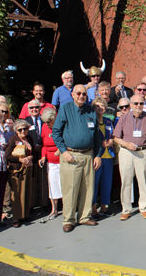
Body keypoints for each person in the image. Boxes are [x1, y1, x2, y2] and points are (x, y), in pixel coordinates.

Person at [52, 84, 102, 233]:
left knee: (87, 187)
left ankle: (84, 217)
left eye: (84, 94)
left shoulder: (90, 111)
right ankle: (68, 219)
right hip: (71, 155)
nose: (81, 96)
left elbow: (97, 135)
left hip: (88, 154)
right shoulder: (65, 109)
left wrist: (98, 155)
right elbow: (56, 132)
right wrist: (63, 151)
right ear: (73, 94)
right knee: (71, 188)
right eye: (78, 93)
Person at [113, 94, 146, 221]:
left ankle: (144, 208)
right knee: (126, 182)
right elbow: (116, 138)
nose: (138, 106)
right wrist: (126, 144)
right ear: (131, 104)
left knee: (143, 181)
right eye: (136, 103)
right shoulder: (124, 118)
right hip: (126, 152)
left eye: (141, 103)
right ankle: (126, 210)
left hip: (143, 152)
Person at [5, 119, 35, 228]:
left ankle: (25, 215)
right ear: (16, 130)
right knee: (17, 194)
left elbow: (35, 153)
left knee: (27, 192)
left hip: (29, 169)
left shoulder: (29, 139)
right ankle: (16, 218)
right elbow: (7, 156)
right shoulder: (13, 139)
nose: (23, 131)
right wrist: (20, 160)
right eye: (20, 129)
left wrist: (31, 156)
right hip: (18, 170)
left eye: (25, 129)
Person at [91, 97, 115, 219]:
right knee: (94, 183)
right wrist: (99, 143)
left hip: (108, 156)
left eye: (103, 106)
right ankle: (93, 208)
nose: (101, 108)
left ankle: (104, 207)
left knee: (107, 183)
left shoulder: (108, 121)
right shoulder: (91, 121)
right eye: (98, 106)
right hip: (97, 157)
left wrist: (111, 141)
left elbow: (113, 135)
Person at [38, 108, 62, 220]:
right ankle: (54, 209)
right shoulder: (44, 127)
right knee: (52, 185)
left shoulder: (61, 125)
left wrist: (61, 149)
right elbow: (44, 145)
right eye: (45, 122)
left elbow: (66, 140)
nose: (47, 125)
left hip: (62, 161)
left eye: (49, 122)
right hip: (51, 162)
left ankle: (67, 208)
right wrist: (43, 156)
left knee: (63, 184)